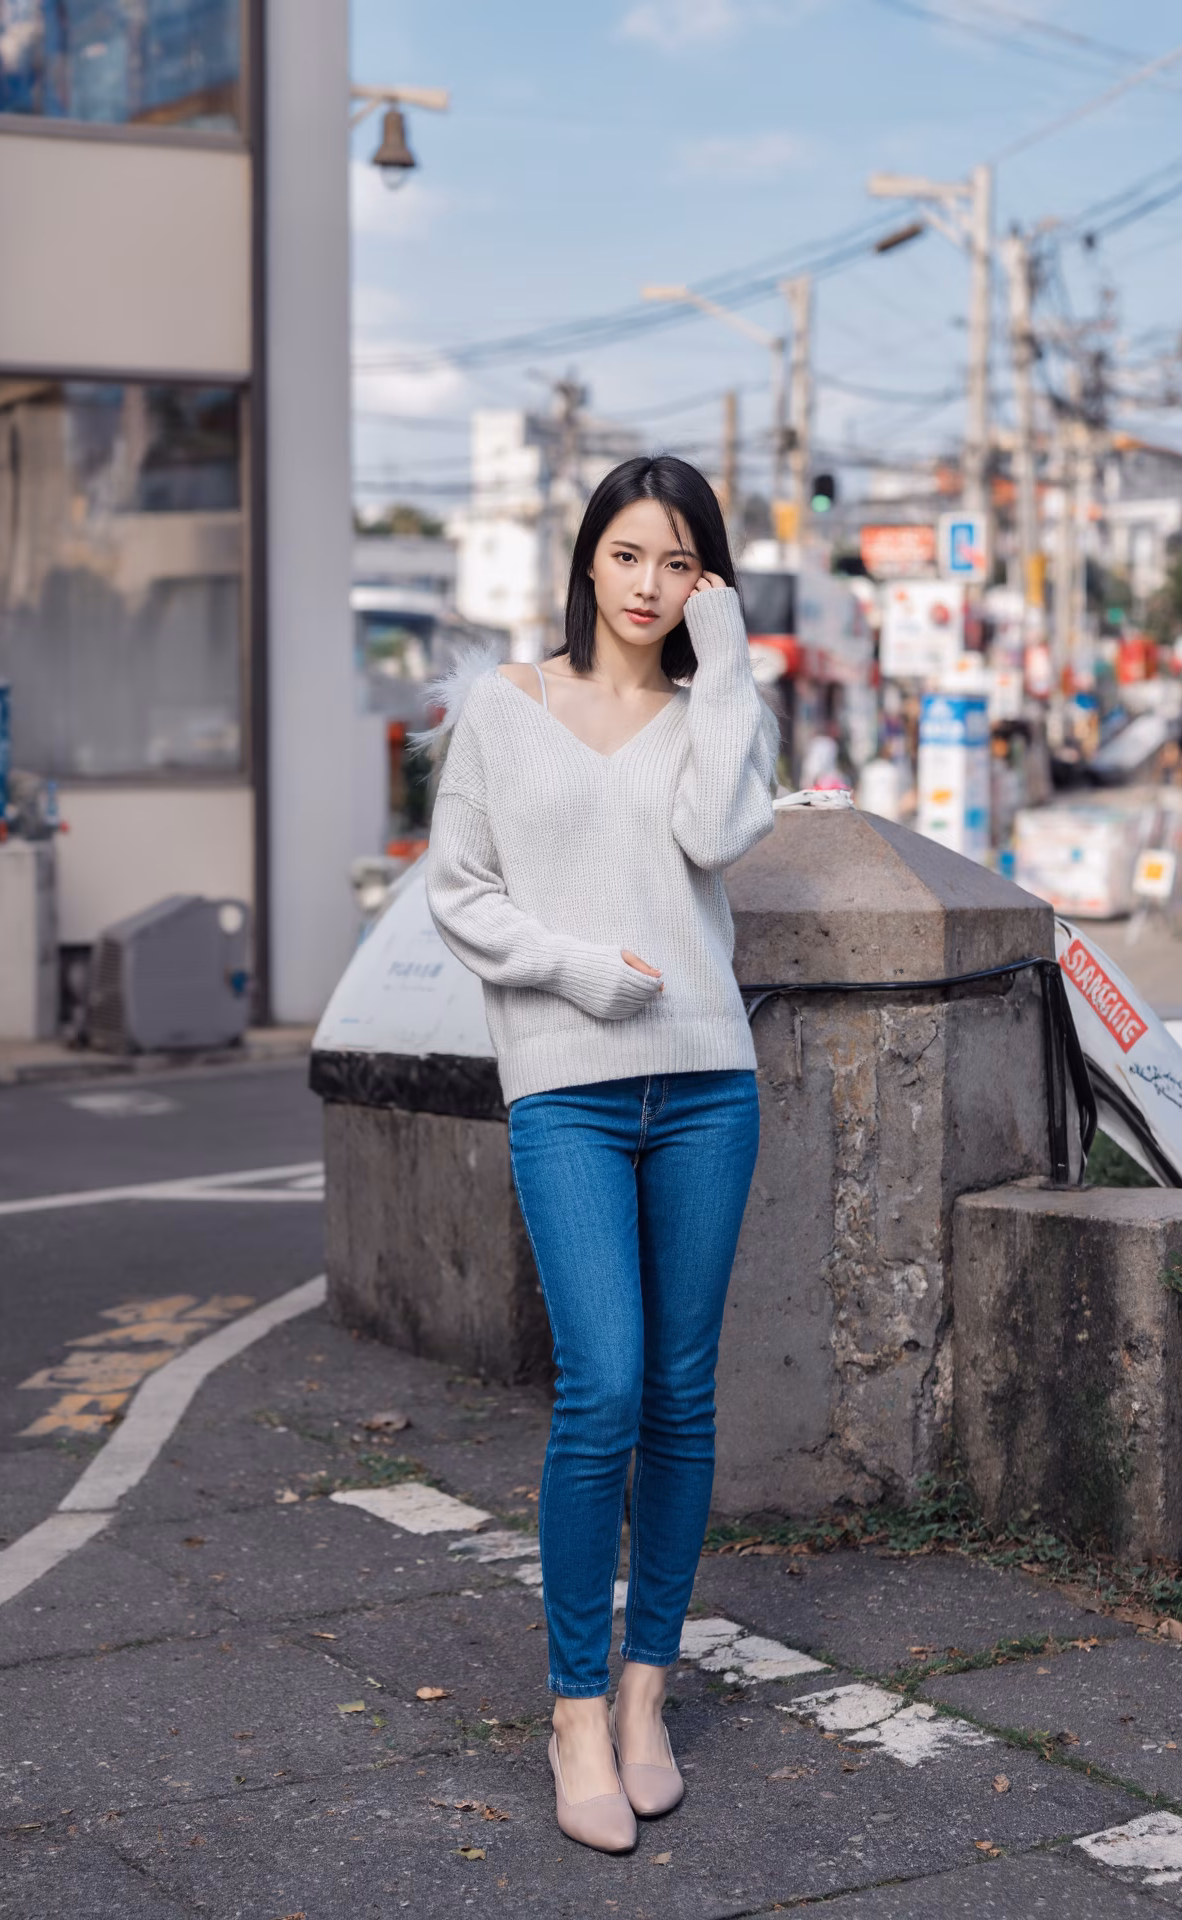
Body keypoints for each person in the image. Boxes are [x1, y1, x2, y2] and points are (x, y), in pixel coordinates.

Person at [423, 454, 777, 1854]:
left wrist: (732, 657)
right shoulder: (506, 708)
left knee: (682, 1400)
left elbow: (715, 831)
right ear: (587, 562)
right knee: (606, 1387)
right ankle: (574, 1708)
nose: (650, 586)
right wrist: (577, 970)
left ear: (710, 581)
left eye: (681, 564)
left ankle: (647, 1693)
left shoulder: (711, 711)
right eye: (631, 556)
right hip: (569, 1087)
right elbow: (461, 891)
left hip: (708, 1083)